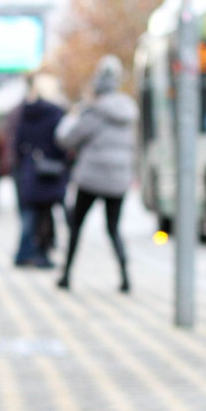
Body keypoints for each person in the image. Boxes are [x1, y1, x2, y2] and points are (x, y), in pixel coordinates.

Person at [55, 55, 139, 293]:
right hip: (119, 179)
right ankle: (125, 277)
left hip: (91, 178)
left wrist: (71, 118)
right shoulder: (128, 111)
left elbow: (67, 139)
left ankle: (66, 275)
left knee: (76, 225)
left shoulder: (94, 111)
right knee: (113, 229)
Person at [10, 72, 68, 268]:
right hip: (50, 168)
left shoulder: (26, 110)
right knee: (44, 212)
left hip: (29, 166)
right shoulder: (56, 112)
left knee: (29, 212)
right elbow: (62, 142)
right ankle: (38, 253)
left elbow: (18, 141)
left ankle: (25, 252)